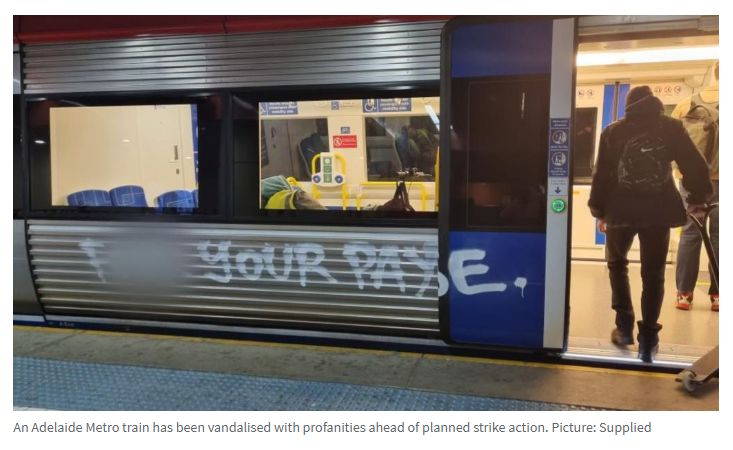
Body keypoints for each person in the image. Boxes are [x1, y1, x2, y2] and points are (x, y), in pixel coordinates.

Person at [588, 85, 712, 363]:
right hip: (658, 212)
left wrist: (599, 211)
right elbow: (695, 165)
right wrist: (698, 198)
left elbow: (602, 175)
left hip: (620, 210)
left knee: (616, 264)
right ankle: (648, 341)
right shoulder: (671, 127)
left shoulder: (613, 131)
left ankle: (623, 327)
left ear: (628, 106)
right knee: (653, 274)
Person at [672, 62, 719, 312]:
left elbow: (670, 143)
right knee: (721, 236)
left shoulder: (685, 104)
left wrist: (680, 171)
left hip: (690, 181)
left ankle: (684, 293)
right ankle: (718, 294)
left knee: (690, 233)